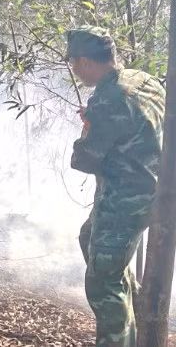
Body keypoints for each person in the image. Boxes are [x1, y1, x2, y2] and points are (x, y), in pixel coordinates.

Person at [67, 26, 165, 346]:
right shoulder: (142, 80)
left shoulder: (109, 98)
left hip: (126, 199)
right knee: (88, 238)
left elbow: (85, 159)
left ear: (84, 61)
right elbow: (135, 126)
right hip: (155, 191)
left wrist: (89, 127)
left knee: (102, 284)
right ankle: (133, 322)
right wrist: (97, 120)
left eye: (74, 64)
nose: (75, 70)